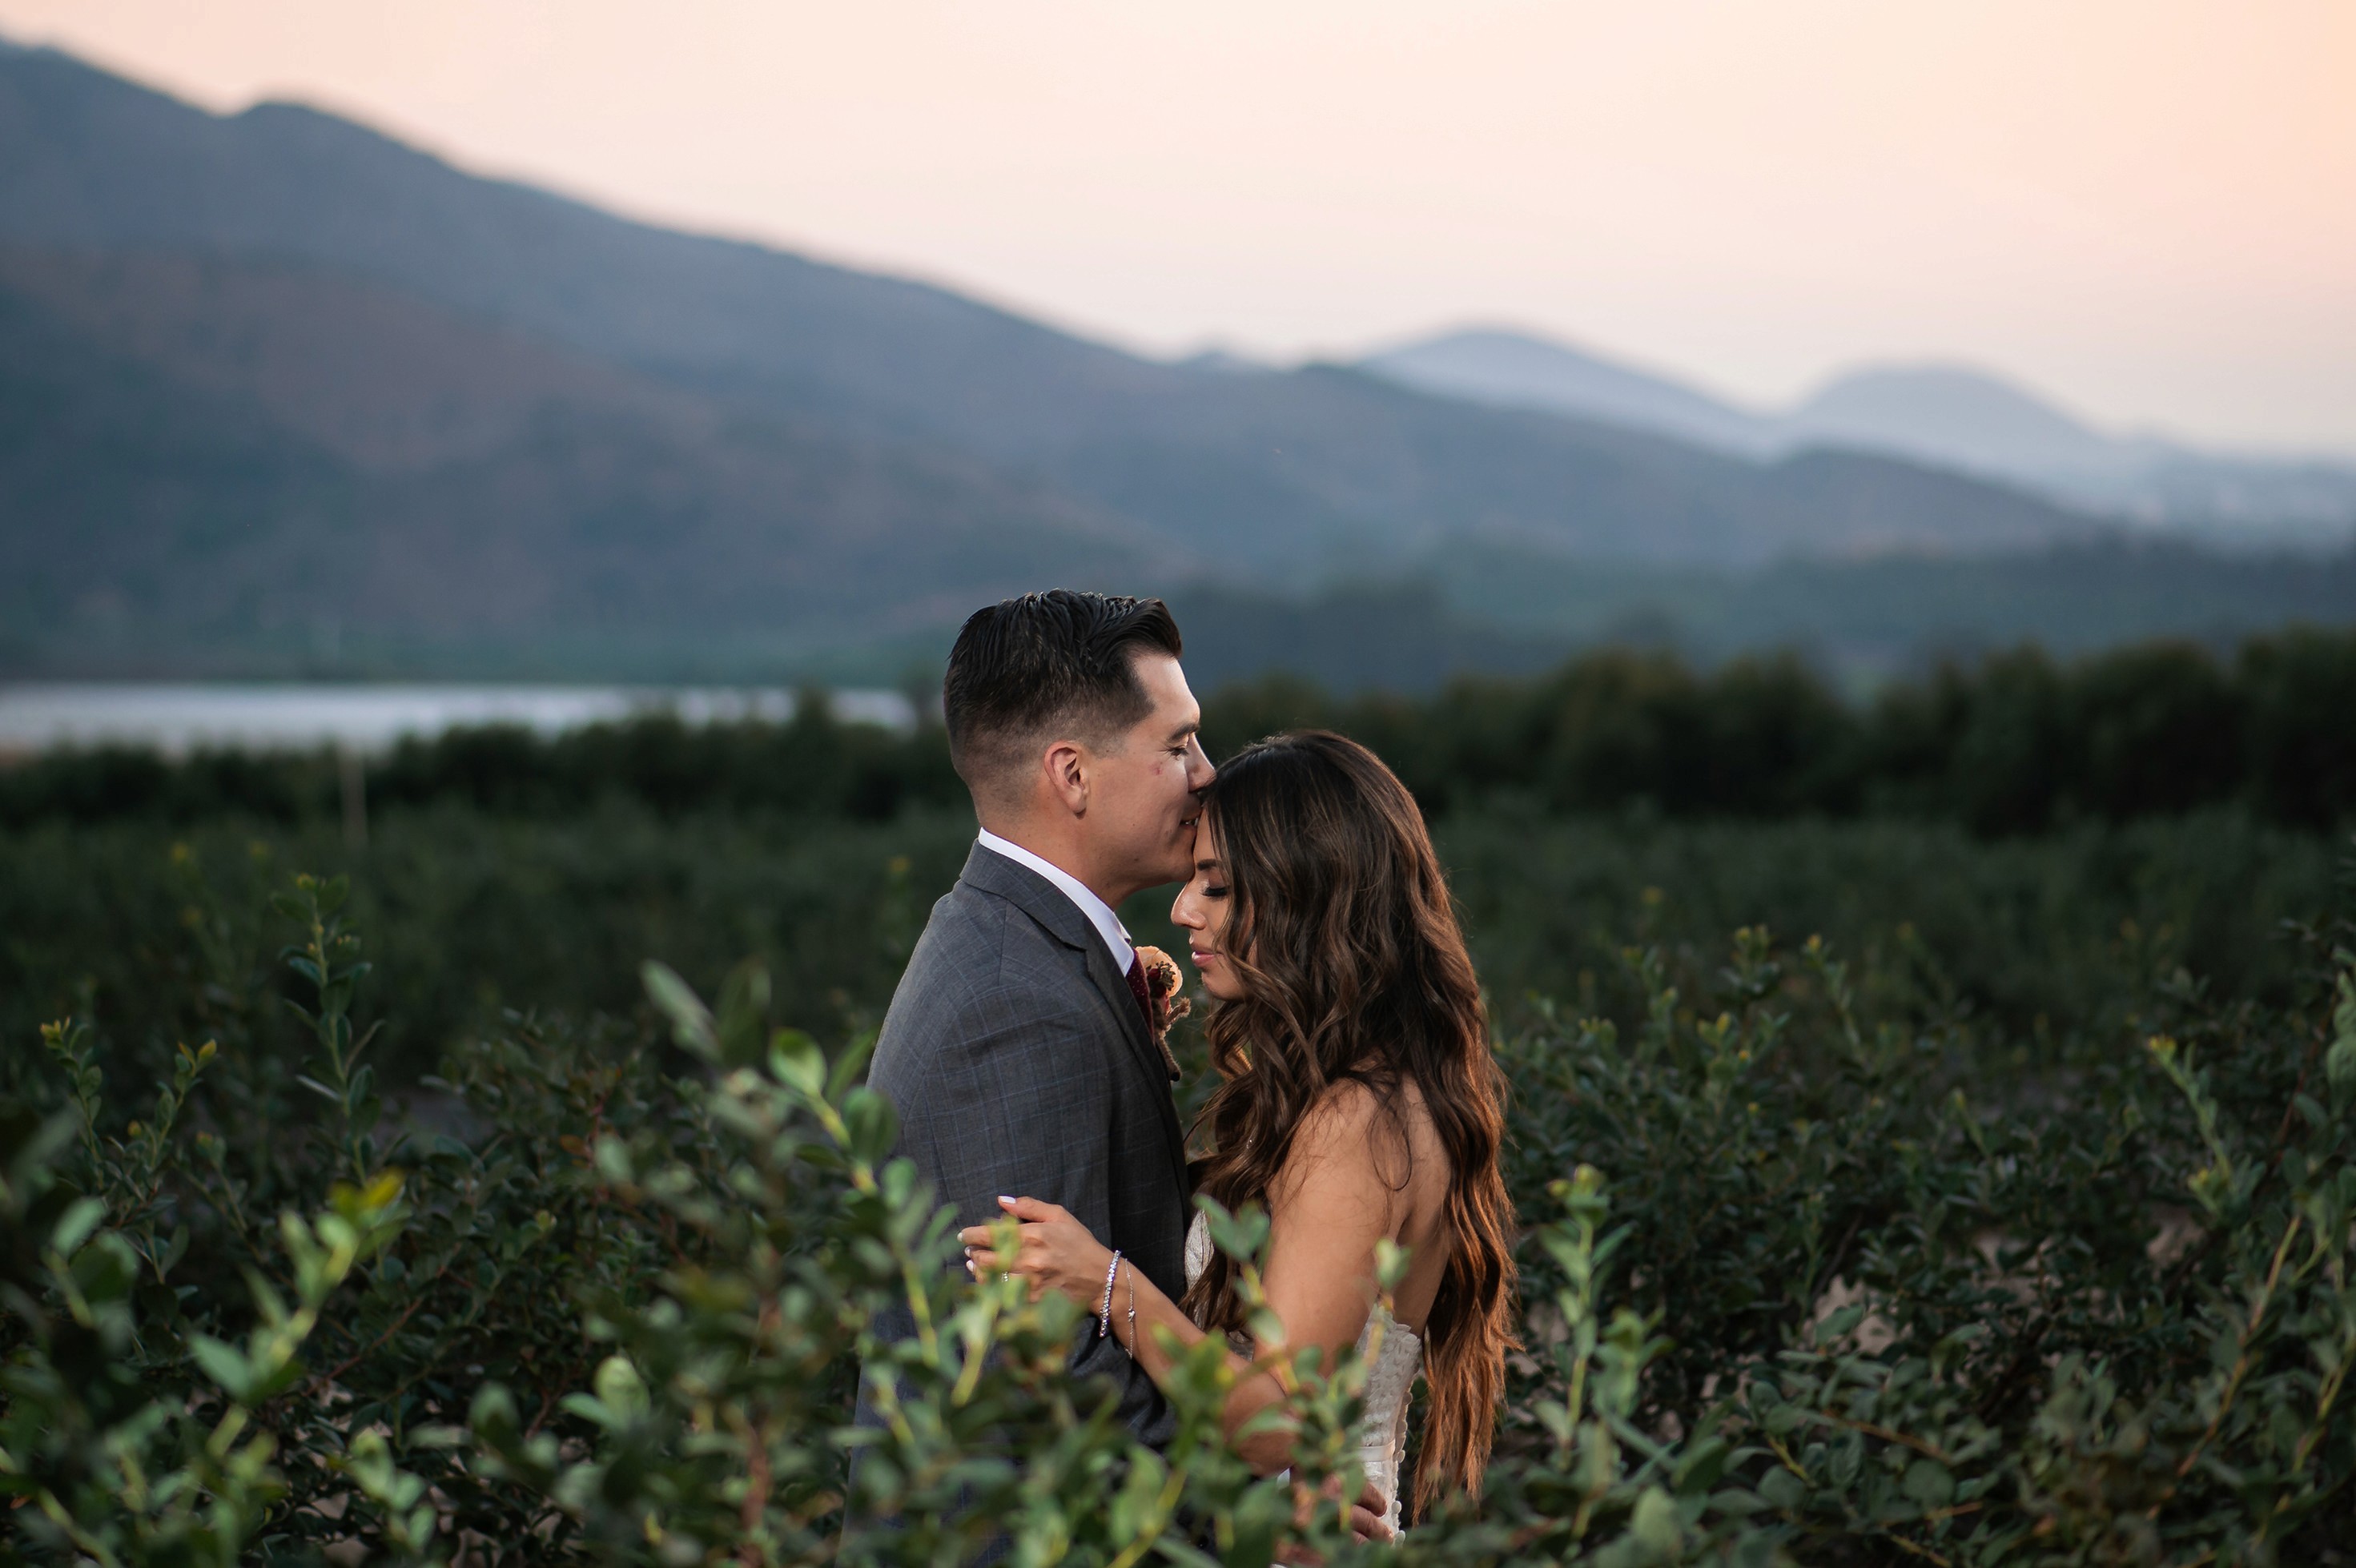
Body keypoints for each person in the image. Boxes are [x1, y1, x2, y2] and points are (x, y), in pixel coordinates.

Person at [963, 730, 1519, 1534]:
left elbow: (1272, 1423)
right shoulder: (1359, 1095)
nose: (1184, 909)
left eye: (1216, 887)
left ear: (1311, 896)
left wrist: (1104, 1281)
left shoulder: (1356, 1121)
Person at [859, 589, 1213, 1451]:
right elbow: (1052, 1378)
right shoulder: (1016, 1002)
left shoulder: (1014, 940)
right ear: (1072, 774)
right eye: (1176, 744)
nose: (1207, 770)